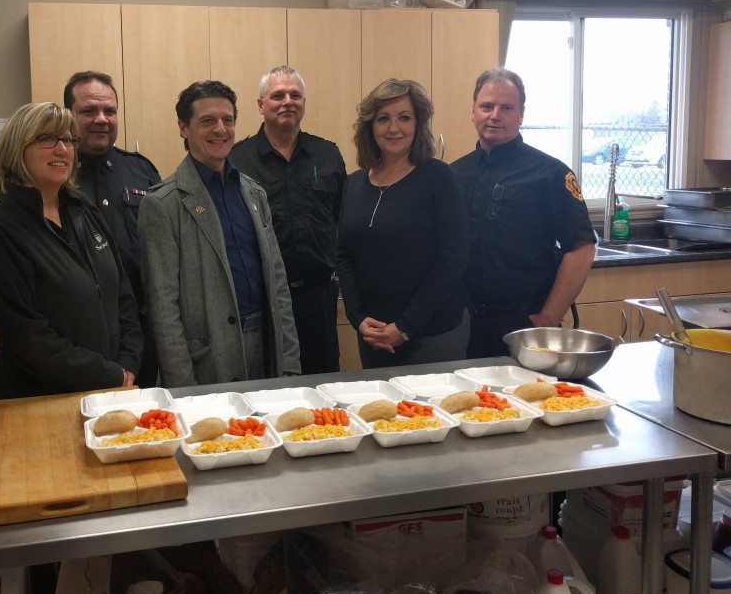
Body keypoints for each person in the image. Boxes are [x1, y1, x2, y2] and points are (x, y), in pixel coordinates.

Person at [0, 102, 142, 399]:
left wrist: (128, 361)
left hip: (109, 390)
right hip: (38, 399)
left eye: (69, 140)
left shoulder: (82, 208)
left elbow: (121, 293)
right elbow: (27, 338)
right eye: (47, 139)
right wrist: (108, 374)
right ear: (16, 149)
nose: (63, 150)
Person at [138, 80, 301, 386]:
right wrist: (182, 386)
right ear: (183, 128)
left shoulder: (254, 195)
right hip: (208, 357)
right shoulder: (162, 204)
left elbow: (277, 281)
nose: (220, 130)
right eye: (207, 121)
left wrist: (289, 358)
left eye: (228, 120)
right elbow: (163, 308)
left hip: (265, 345)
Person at [451, 67, 596, 359]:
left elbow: (581, 249)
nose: (495, 115)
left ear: (521, 114)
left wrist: (547, 320)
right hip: (459, 323)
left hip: (522, 323)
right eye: (487, 106)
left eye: (507, 107)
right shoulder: (452, 174)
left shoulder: (550, 174)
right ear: (473, 112)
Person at [336, 78, 470, 367]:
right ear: (370, 126)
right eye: (383, 118)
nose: (394, 128)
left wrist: (406, 326)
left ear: (418, 125)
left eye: (404, 118)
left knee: (430, 412)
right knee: (379, 413)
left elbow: (453, 258)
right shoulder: (353, 184)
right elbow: (344, 255)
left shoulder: (438, 178)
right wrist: (357, 318)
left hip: (432, 336)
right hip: (374, 336)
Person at [229, 65, 346, 374]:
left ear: (304, 102)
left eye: (295, 95)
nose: (288, 102)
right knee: (268, 388)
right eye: (277, 95)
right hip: (261, 301)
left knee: (322, 388)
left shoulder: (328, 155)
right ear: (260, 105)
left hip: (318, 298)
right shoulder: (236, 160)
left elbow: (340, 222)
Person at [63, 70, 162, 386]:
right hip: (77, 334)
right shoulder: (54, 172)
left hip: (139, 331)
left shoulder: (141, 170)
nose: (101, 119)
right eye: (89, 111)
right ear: (69, 115)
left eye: (110, 111)